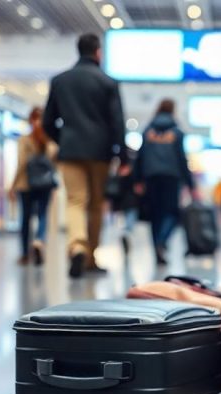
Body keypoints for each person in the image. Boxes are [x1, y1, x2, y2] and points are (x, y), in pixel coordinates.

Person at [43, 33, 129, 278]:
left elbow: (48, 121)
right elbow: (117, 123)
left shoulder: (60, 81)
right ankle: (90, 257)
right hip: (100, 152)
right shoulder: (108, 83)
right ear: (98, 52)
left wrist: (64, 140)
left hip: (70, 151)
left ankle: (77, 246)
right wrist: (122, 157)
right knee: (95, 204)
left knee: (75, 201)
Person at [131, 99, 197, 266]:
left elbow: (140, 156)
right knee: (172, 214)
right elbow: (182, 159)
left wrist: (137, 179)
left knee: (154, 214)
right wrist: (191, 185)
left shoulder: (147, 131)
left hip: (150, 177)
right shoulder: (177, 132)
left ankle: (156, 247)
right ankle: (162, 240)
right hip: (171, 177)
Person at [9, 107, 55, 266]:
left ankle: (24, 254)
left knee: (25, 219)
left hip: (26, 184)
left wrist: (12, 185)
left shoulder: (25, 140)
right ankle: (39, 240)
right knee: (42, 214)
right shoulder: (49, 142)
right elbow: (54, 164)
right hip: (46, 184)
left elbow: (21, 163)